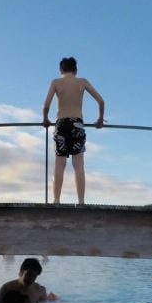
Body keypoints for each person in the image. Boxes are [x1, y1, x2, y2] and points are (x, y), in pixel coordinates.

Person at [42, 56, 105, 205]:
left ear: (61, 70)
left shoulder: (56, 82)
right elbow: (101, 101)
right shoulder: (82, 82)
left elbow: (46, 106)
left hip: (61, 123)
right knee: (78, 165)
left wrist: (45, 119)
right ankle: (81, 202)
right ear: (75, 70)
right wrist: (100, 119)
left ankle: (56, 201)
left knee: (60, 164)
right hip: (77, 124)